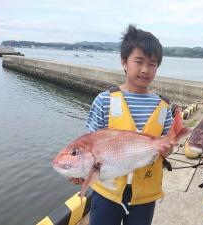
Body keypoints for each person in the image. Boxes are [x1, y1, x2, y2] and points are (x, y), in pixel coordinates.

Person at [70, 24, 176, 225]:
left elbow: (166, 151)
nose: (145, 69)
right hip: (107, 193)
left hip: (145, 196)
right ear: (124, 62)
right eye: (139, 61)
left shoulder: (163, 107)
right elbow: (88, 147)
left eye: (152, 64)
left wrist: (167, 148)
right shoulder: (104, 100)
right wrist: (79, 172)